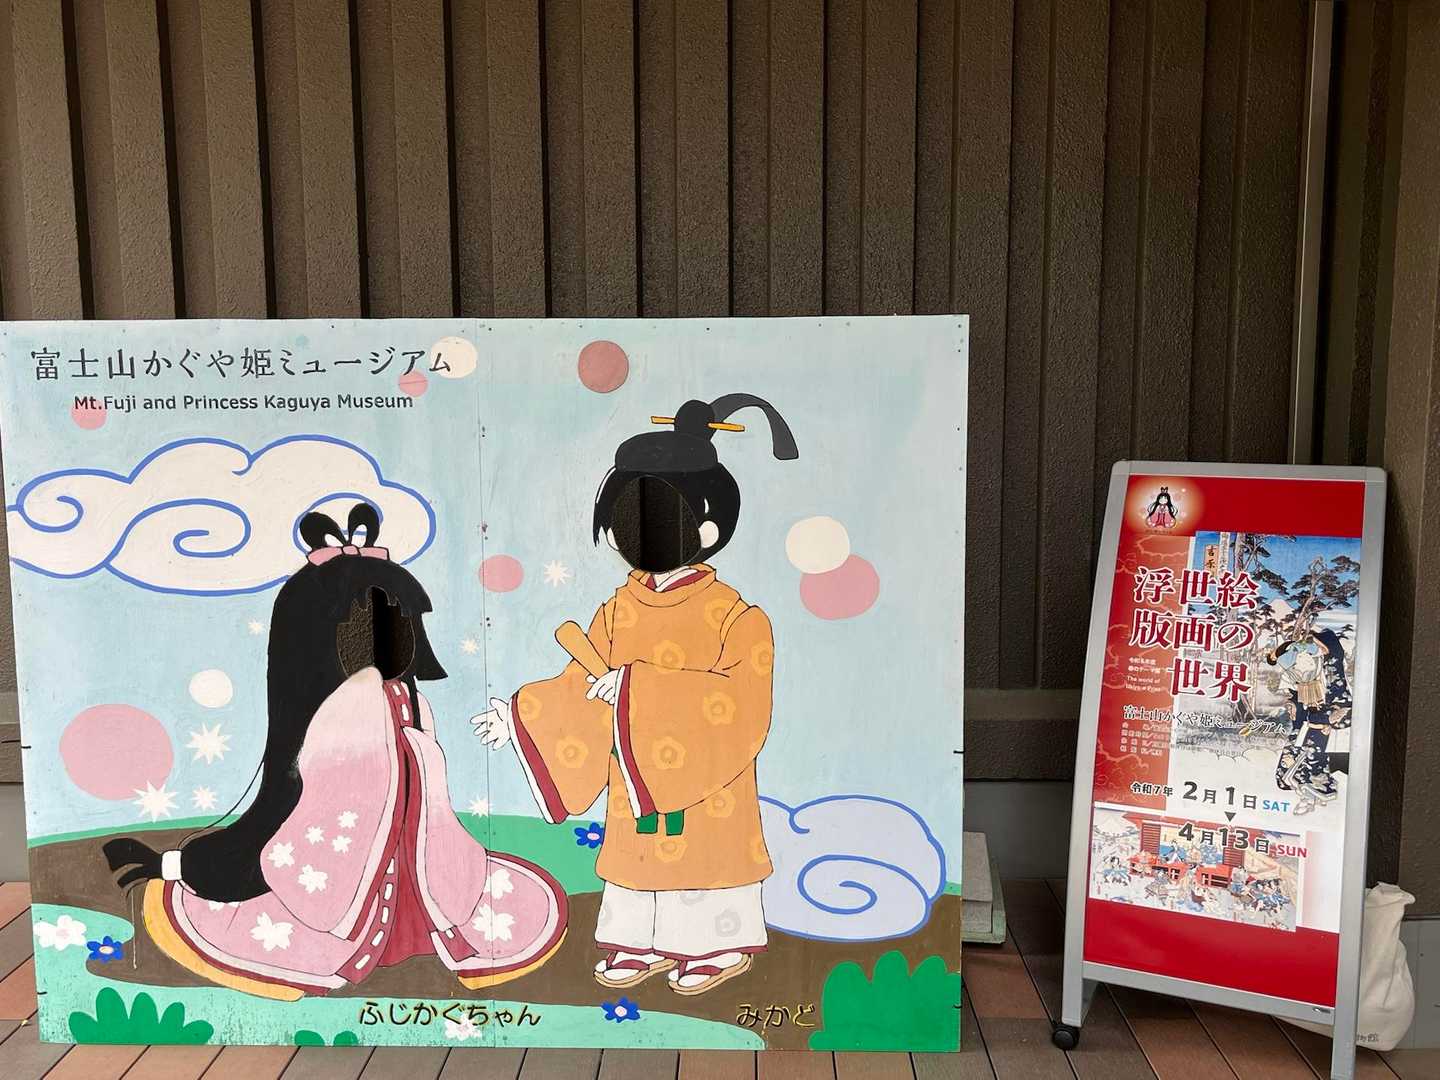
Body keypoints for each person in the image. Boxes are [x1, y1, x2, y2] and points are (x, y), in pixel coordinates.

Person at [104, 506, 566, 999]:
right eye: (367, 626)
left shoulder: (408, 699)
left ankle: (412, 919)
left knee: (422, 874)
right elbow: (315, 802)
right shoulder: (339, 708)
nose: (390, 638)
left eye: (398, 623)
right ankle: (193, 871)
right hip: (343, 856)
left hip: (412, 849)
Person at [475, 394, 797, 997]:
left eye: (656, 520)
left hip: (707, 783)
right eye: (626, 522)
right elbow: (580, 683)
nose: (637, 535)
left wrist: (638, 688)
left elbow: (743, 706)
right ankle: (638, 941)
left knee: (704, 853)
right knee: (634, 858)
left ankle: (715, 944)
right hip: (634, 776)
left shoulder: (738, 619)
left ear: (707, 528)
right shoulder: (618, 611)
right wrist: (523, 716)